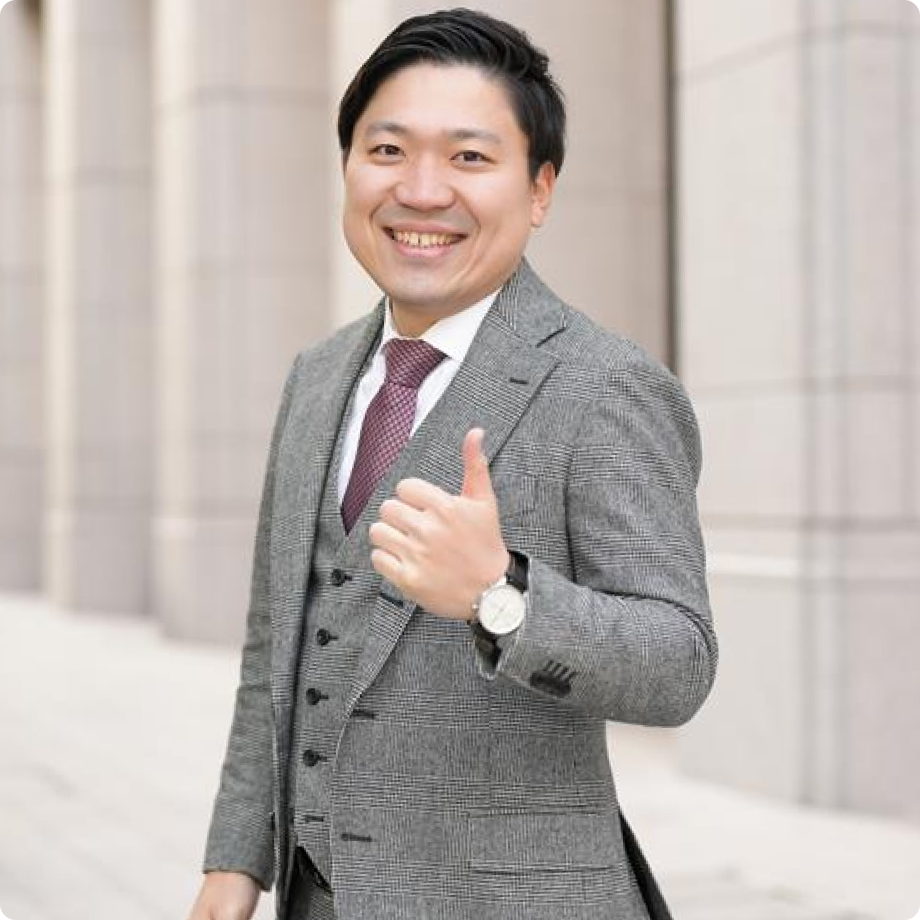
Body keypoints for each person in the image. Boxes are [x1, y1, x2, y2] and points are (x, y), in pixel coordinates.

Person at [187, 9, 717, 920]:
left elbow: (679, 664)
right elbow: (276, 643)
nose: (422, 190)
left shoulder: (605, 386)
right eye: (387, 151)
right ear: (349, 168)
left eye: (469, 157)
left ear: (539, 189)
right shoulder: (317, 376)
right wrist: (236, 860)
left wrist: (497, 594)